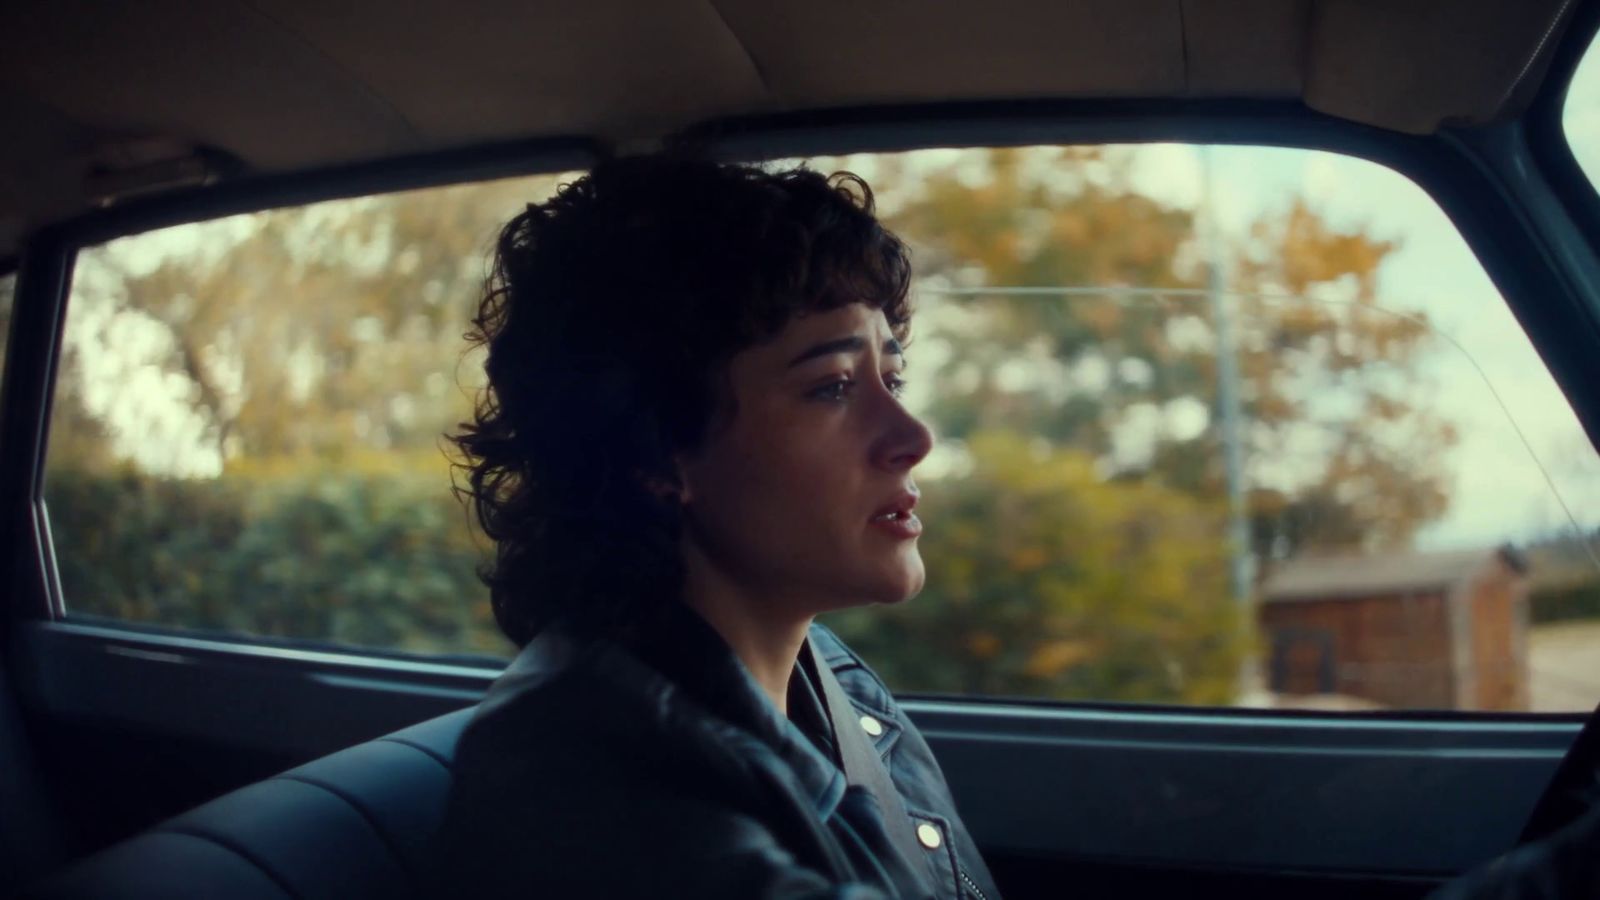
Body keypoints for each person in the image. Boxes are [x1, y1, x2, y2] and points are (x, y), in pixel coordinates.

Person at [434, 153, 1001, 899]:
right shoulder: (586, 777)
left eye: (891, 379)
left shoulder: (835, 685)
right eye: (831, 387)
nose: (913, 435)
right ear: (656, 451)